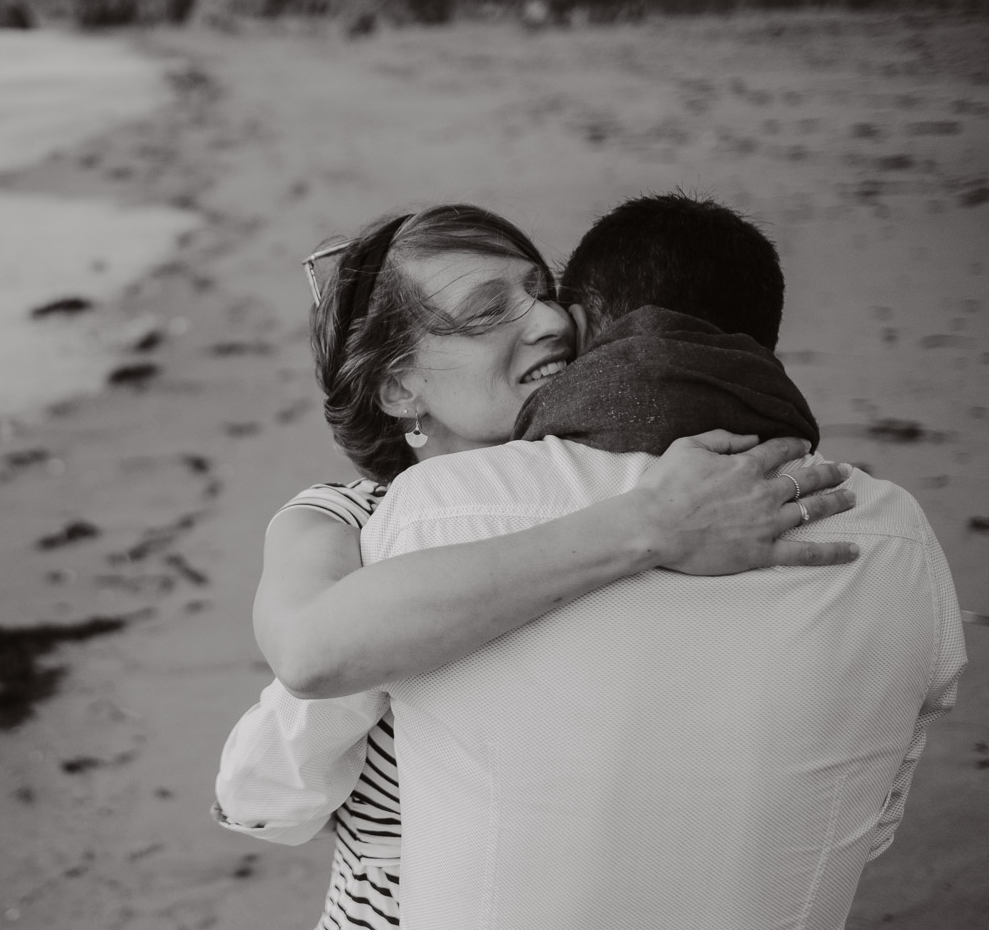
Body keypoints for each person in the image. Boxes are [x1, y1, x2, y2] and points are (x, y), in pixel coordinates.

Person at [217, 194, 966, 928]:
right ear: (401, 385)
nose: (549, 321)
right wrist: (649, 525)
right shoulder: (348, 522)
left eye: (543, 291)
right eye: (488, 313)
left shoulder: (685, 486)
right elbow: (308, 656)